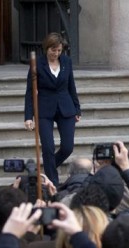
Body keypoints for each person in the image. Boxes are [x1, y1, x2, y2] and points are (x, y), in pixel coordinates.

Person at [24, 32, 81, 186]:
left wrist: (77, 108)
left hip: (66, 106)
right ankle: (53, 184)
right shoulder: (37, 64)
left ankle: (48, 168)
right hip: (44, 108)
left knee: (68, 147)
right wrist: (28, 116)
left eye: (59, 51)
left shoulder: (66, 62)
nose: (56, 54)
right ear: (46, 48)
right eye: (53, 50)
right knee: (48, 148)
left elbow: (71, 85)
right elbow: (30, 91)